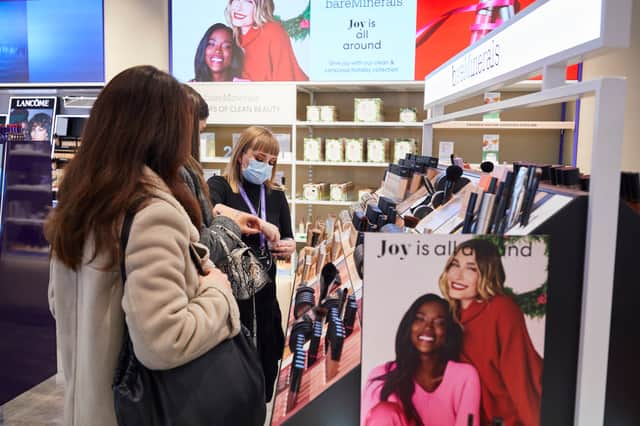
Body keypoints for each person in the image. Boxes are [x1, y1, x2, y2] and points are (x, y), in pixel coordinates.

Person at [45, 66, 242, 426]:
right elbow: (165, 341)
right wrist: (217, 293)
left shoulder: (82, 204)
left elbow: (59, 303)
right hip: (136, 410)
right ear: (166, 132)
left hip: (87, 404)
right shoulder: (152, 213)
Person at [207, 125, 295, 401]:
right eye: (259, 158)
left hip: (265, 297)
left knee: (265, 375)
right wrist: (260, 225)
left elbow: (289, 238)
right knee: (233, 384)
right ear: (240, 154)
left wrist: (288, 247)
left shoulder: (276, 195)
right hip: (231, 299)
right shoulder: (219, 186)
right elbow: (213, 212)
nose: (265, 167)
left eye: (271, 162)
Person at [438, 239, 543, 426]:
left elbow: (520, 377)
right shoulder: (447, 313)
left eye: (471, 268)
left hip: (506, 419)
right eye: (455, 264)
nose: (458, 275)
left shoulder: (501, 309)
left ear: (487, 274)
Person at [362, 293, 480, 426]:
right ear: (409, 325)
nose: (428, 327)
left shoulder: (464, 376)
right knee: (383, 413)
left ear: (448, 332)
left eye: (439, 322)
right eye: (420, 319)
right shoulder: (381, 376)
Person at [225, 0, 308, 81]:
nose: (238, 8)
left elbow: (285, 82)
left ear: (261, 7)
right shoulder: (231, 37)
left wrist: (252, 88)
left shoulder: (273, 32)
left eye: (248, 1)